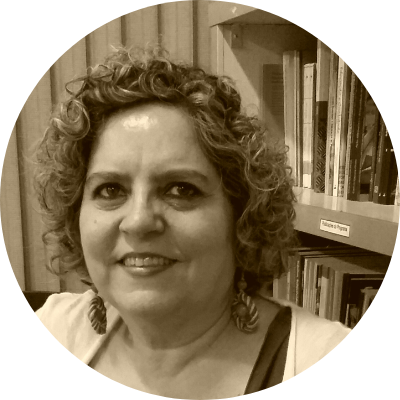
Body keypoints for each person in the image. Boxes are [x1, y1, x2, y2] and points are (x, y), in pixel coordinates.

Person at [34, 45, 351, 398]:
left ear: (244, 218)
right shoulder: (56, 327)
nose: (138, 222)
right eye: (110, 190)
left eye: (181, 189)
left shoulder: (317, 354)